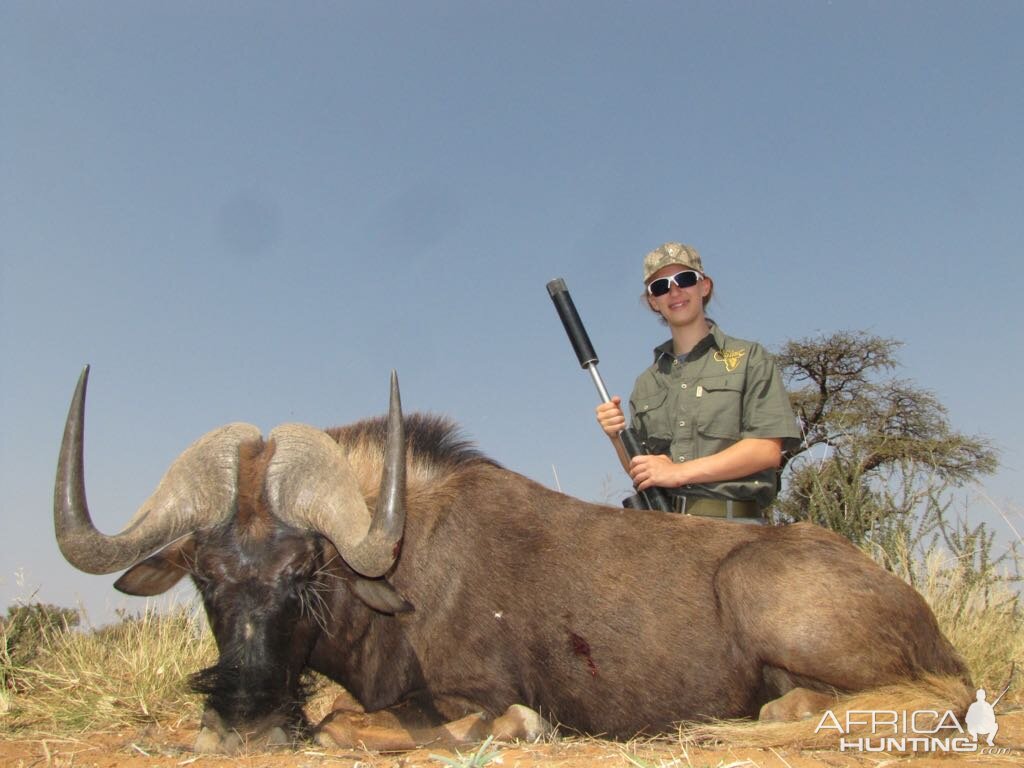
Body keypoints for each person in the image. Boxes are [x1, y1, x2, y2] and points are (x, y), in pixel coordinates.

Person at [596, 242, 801, 522]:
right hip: (666, 532)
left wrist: (679, 472)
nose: (674, 291)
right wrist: (616, 437)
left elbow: (765, 451)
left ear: (704, 286)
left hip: (736, 531)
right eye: (660, 286)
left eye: (685, 279)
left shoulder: (749, 358)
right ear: (653, 302)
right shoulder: (646, 383)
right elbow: (644, 470)